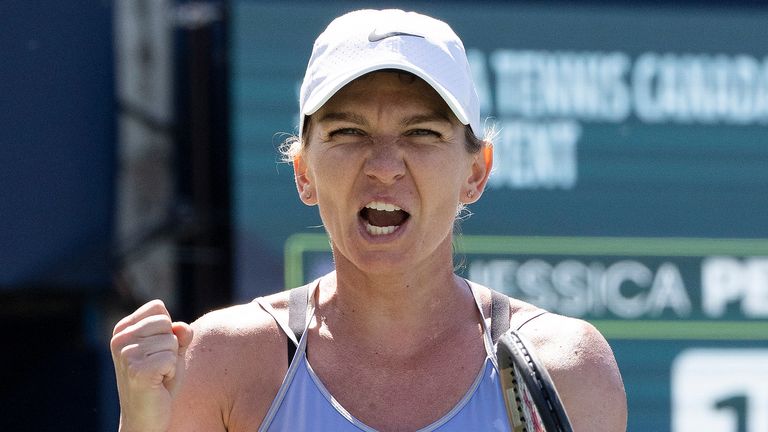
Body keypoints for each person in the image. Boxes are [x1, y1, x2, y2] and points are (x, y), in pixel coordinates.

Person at [110, 9, 627, 432]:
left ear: (476, 171)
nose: (383, 165)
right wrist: (141, 424)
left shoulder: (565, 366)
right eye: (348, 133)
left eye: (422, 133)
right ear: (304, 172)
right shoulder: (221, 361)